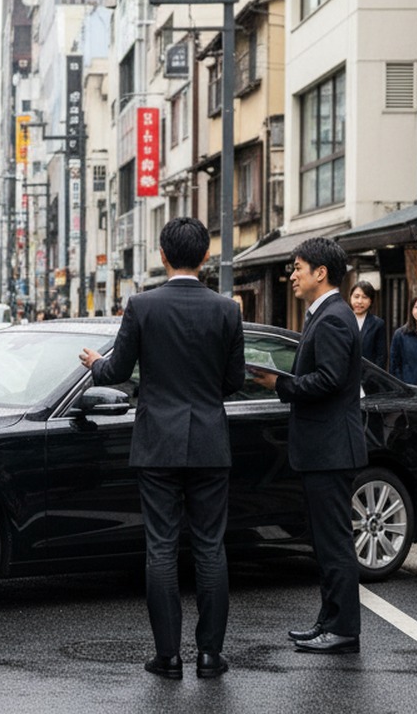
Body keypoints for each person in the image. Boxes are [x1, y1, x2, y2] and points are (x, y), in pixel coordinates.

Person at [79, 217, 244, 680]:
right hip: (210, 439)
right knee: (211, 547)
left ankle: (167, 657)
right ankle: (211, 656)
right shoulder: (227, 310)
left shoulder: (142, 305)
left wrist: (96, 364)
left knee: (161, 548)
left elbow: (116, 372)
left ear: (163, 255)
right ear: (206, 257)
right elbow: (234, 381)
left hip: (157, 443)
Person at [251, 237, 367, 655]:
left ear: (321, 272)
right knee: (324, 541)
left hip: (331, 449)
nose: (293, 275)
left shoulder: (333, 317)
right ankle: (329, 621)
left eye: (298, 267)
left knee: (334, 542)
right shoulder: (326, 314)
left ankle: (343, 630)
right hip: (324, 448)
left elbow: (330, 380)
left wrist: (279, 382)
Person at [350, 281, 387, 369]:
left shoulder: (378, 324)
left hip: (368, 377)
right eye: (356, 296)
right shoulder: (341, 320)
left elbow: (381, 356)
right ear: (350, 297)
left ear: (371, 301)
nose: (359, 301)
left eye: (364, 297)